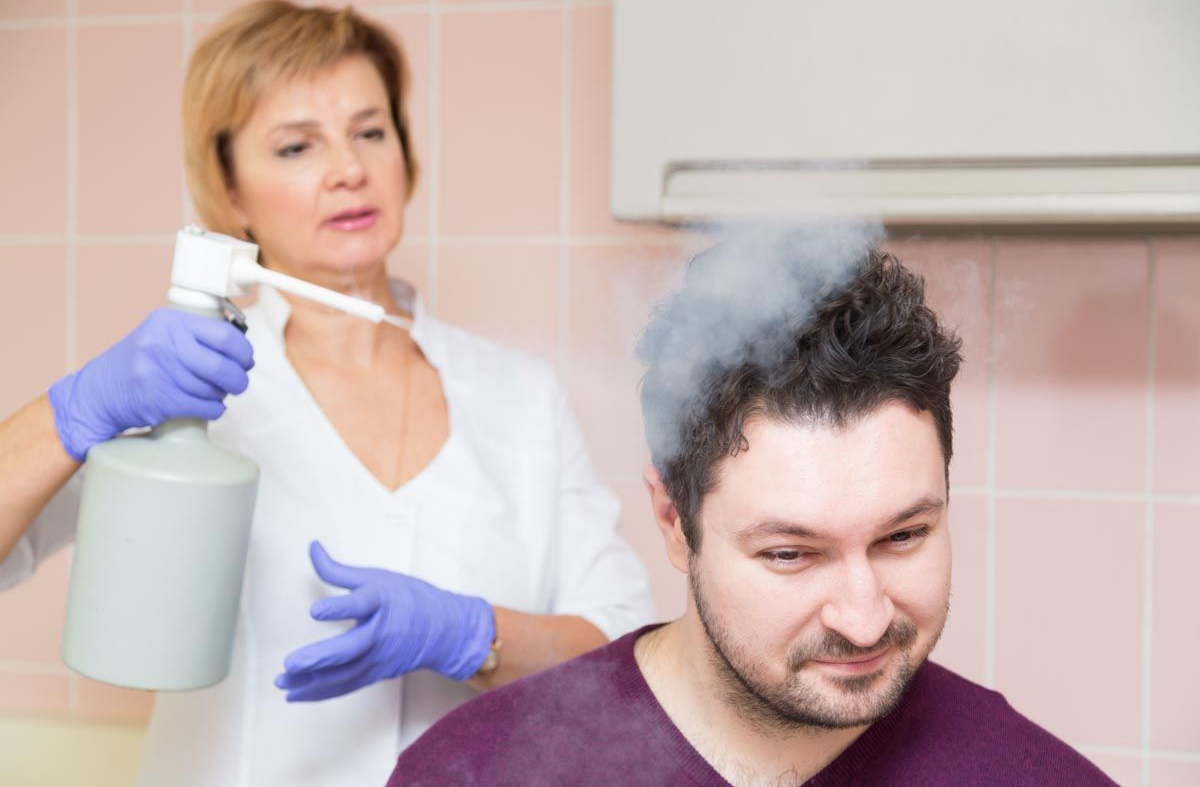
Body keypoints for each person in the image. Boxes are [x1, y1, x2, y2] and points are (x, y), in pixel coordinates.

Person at [0, 0, 652, 786]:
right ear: (229, 190)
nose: (348, 168)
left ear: (405, 155)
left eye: (370, 132)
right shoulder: (179, 387)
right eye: (296, 145)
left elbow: (625, 658)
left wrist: (476, 636)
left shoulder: (522, 398)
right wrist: (74, 411)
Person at [386, 233, 1115, 786]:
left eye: (903, 536)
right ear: (674, 522)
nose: (863, 619)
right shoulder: (479, 771)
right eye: (791, 554)